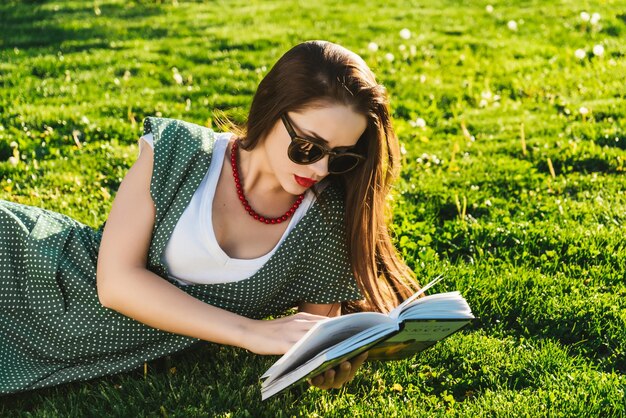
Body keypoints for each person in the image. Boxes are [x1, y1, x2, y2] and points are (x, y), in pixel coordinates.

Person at [0, 40, 419, 395]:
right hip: (31, 269)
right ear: (272, 110)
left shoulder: (327, 218)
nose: (321, 170)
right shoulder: (177, 150)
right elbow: (115, 283)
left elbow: (313, 338)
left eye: (342, 157)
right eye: (309, 148)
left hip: (71, 346)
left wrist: (325, 365)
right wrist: (249, 332)